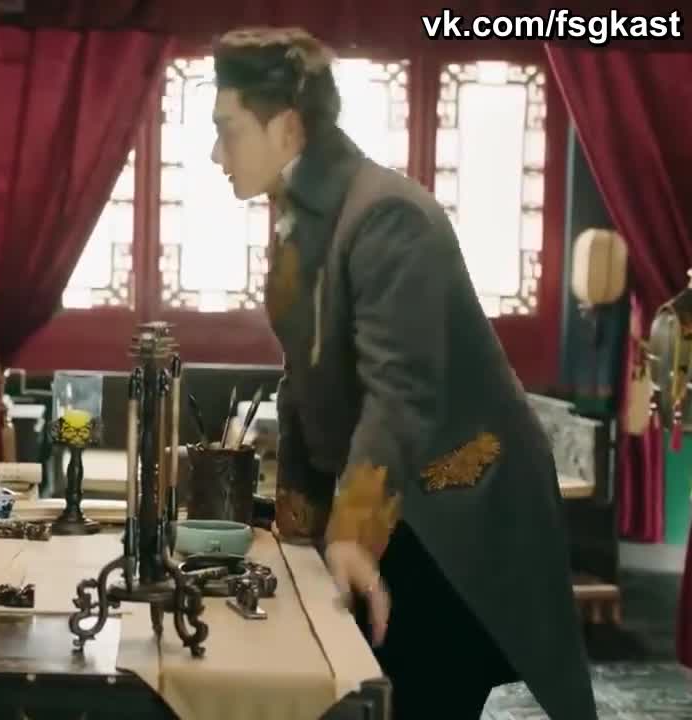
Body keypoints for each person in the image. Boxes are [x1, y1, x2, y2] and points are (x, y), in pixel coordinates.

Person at [208, 27, 597, 720]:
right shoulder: (303, 218)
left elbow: (400, 394)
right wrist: (297, 526)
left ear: (287, 127)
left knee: (411, 701)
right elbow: (304, 380)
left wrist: (352, 531)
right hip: (397, 505)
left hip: (457, 516)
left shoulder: (387, 215)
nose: (216, 154)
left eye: (227, 130)